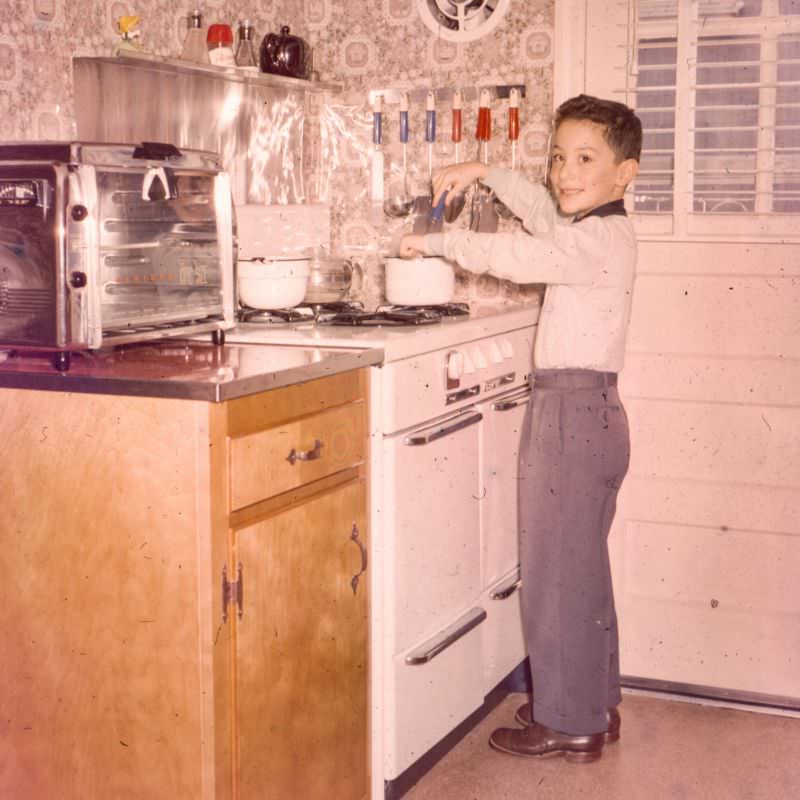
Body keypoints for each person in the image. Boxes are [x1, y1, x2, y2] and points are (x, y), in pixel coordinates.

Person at [400, 94, 642, 763]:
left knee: (555, 574)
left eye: (586, 159)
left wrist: (436, 241)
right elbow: (540, 212)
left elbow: (515, 254)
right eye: (559, 156)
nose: (565, 171)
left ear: (626, 172)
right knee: (582, 570)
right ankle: (594, 702)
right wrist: (484, 170)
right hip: (595, 415)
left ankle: (567, 723)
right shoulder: (603, 228)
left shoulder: (590, 241)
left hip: (569, 417)